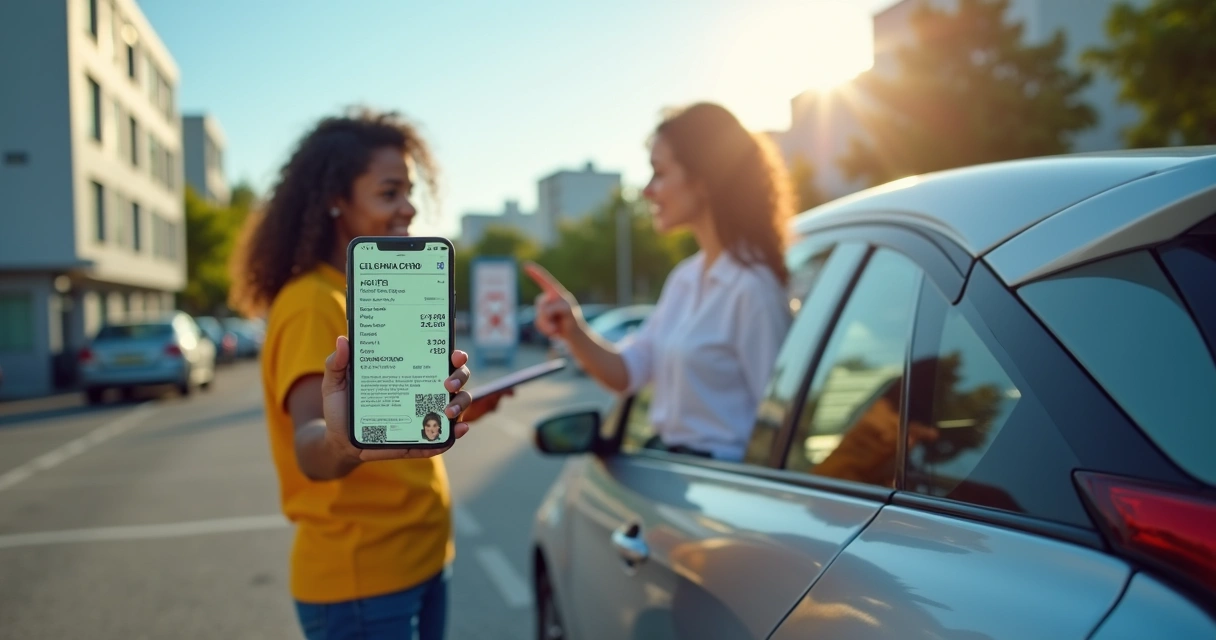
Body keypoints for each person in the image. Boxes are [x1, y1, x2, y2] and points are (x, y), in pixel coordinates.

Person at [229, 107, 505, 640]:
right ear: (337, 199)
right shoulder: (312, 303)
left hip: (420, 561)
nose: (408, 207)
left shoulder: (364, 294)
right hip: (363, 581)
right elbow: (311, 441)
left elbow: (393, 415)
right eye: (389, 192)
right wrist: (342, 442)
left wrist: (445, 406)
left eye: (410, 191)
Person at [527, 102, 794, 462]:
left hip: (722, 480)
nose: (647, 191)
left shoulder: (752, 287)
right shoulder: (685, 278)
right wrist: (573, 329)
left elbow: (780, 423)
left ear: (703, 179)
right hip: (676, 469)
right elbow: (628, 372)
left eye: (660, 173)